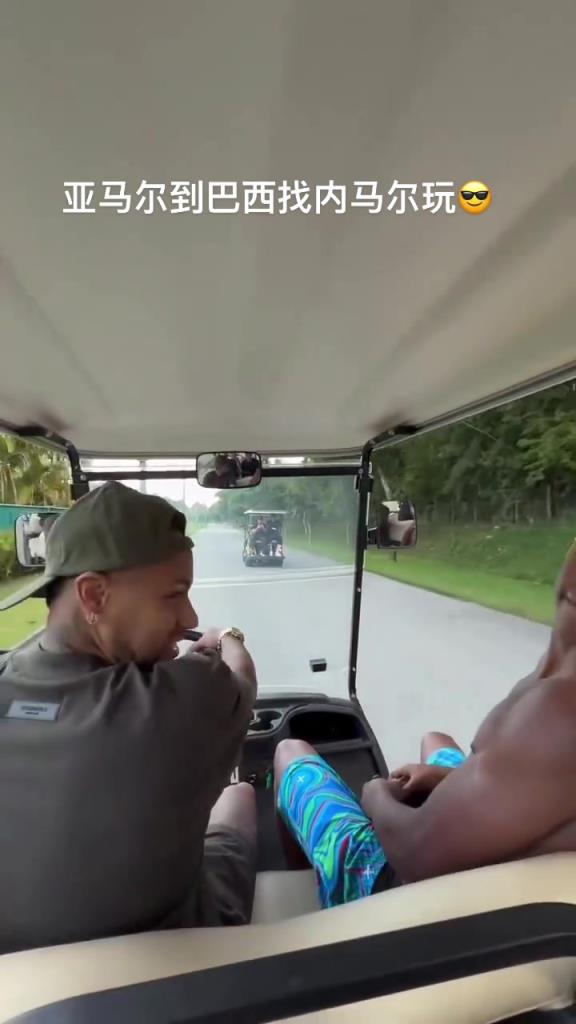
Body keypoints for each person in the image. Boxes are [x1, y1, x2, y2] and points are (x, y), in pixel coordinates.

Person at [0, 482, 257, 954]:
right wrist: (227, 638)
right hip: (183, 963)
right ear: (94, 595)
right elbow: (239, 676)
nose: (189, 615)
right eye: (174, 595)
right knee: (239, 796)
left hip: (27, 985)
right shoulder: (178, 703)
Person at [274, 544, 576, 909]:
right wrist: (441, 777)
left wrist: (376, 796)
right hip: (489, 869)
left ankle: (322, 898)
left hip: (399, 893)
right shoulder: (556, 683)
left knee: (290, 753)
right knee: (436, 740)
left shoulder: (560, 712)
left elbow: (414, 852)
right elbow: (532, 788)